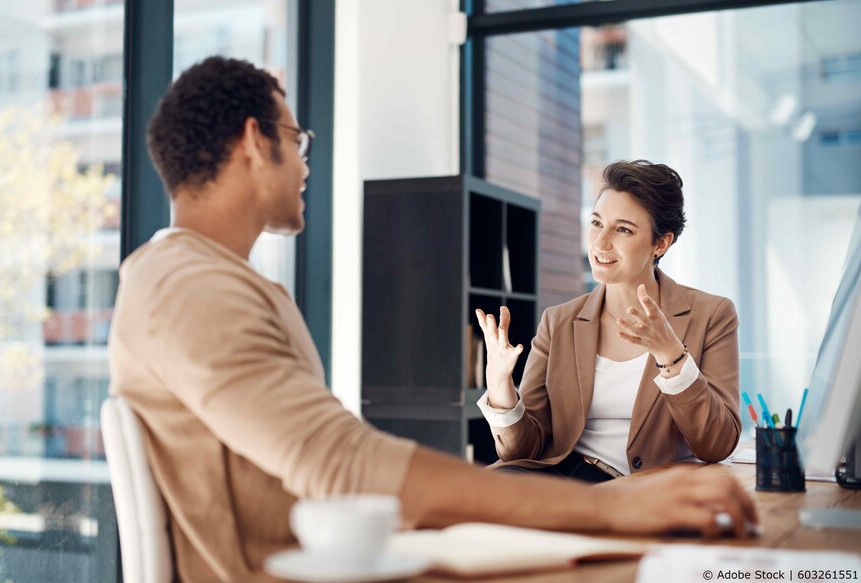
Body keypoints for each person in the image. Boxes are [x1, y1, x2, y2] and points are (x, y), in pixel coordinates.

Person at [108, 57, 756, 583]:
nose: (306, 162)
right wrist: (604, 508)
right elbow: (342, 462)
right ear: (255, 141)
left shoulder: (218, 282)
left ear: (659, 240)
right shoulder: (188, 287)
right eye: (297, 139)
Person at [475, 160, 741, 482]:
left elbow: (718, 444)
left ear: (661, 243)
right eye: (597, 223)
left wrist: (671, 355)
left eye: (623, 229)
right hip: (564, 479)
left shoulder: (711, 316)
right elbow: (524, 451)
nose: (601, 243)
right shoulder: (558, 322)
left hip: (644, 490)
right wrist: (500, 386)